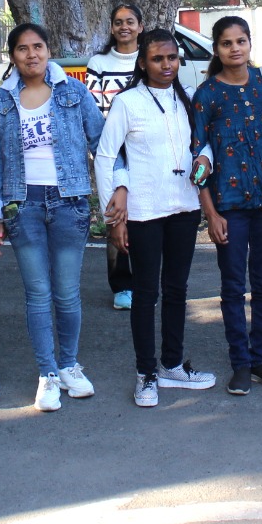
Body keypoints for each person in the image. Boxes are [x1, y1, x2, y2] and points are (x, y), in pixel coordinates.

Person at [0, 22, 105, 412]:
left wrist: (116, 190)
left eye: (38, 46)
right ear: (12, 56)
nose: (31, 54)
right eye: (22, 49)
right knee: (37, 295)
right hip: (24, 205)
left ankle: (69, 365)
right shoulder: (2, 100)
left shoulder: (73, 91)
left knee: (67, 293)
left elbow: (100, 141)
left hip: (69, 202)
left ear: (48, 50)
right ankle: (47, 374)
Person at [96, 28, 216, 408]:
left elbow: (205, 142)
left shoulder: (189, 98)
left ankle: (172, 366)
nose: (167, 65)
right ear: (143, 63)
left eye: (172, 57)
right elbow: (106, 155)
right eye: (158, 59)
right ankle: (145, 373)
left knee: (177, 290)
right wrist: (113, 218)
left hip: (184, 208)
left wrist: (205, 158)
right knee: (146, 293)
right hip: (144, 211)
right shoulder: (127, 102)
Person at [191, 16, 262, 395]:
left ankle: (261, 359)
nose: (235, 48)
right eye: (226, 43)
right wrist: (211, 213)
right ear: (216, 49)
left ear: (250, 43)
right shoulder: (206, 95)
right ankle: (241, 363)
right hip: (228, 206)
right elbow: (196, 159)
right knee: (233, 286)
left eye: (241, 41)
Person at [86, 2, 144, 311]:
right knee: (115, 216)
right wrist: (103, 150)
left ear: (140, 27)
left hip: (143, 148)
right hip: (110, 148)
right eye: (119, 22)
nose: (124, 27)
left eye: (130, 21)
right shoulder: (98, 62)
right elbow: (94, 109)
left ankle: (145, 282)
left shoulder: (148, 58)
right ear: (111, 28)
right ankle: (121, 285)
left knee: (145, 216)